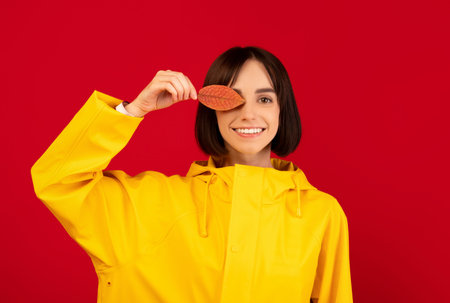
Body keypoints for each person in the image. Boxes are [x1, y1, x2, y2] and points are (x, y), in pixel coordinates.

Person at [31, 46, 353, 303]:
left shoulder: (321, 215)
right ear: (211, 108)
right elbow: (58, 180)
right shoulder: (148, 205)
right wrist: (133, 110)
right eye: (233, 99)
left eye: (265, 98)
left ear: (283, 111)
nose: (249, 113)